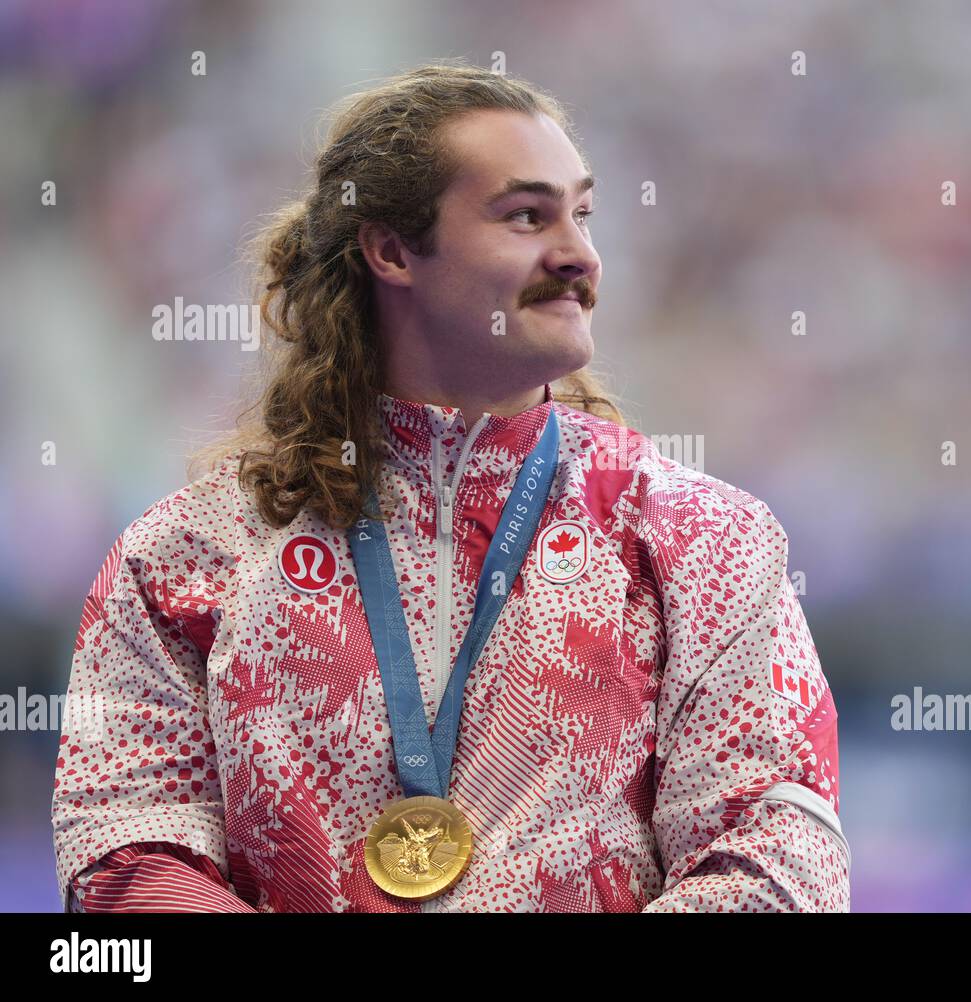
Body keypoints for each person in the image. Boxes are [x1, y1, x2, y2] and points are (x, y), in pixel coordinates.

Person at [50, 62, 850, 913]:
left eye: (581, 214)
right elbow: (122, 856)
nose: (580, 255)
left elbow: (777, 861)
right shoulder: (184, 557)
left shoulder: (706, 540)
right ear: (392, 250)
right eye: (526, 216)